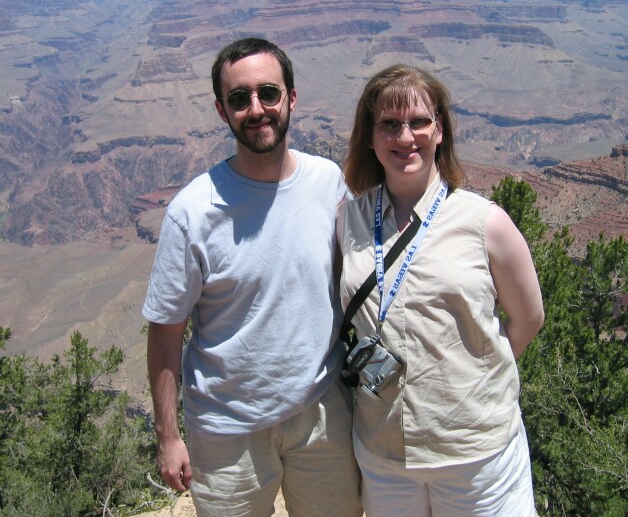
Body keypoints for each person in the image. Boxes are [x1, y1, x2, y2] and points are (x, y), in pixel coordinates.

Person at [143, 37, 362, 517]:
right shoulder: (192, 214)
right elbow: (165, 334)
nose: (257, 109)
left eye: (268, 92)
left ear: (292, 98)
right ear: (222, 111)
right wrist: (168, 436)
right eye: (240, 99)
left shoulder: (328, 183)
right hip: (226, 432)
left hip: (322, 412)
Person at [338, 64, 545, 516]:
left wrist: (475, 383)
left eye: (419, 122)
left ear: (440, 131)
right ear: (370, 137)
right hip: (384, 450)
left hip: (475, 453)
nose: (405, 137)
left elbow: (529, 318)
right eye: (389, 124)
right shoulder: (348, 221)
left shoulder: (484, 221)